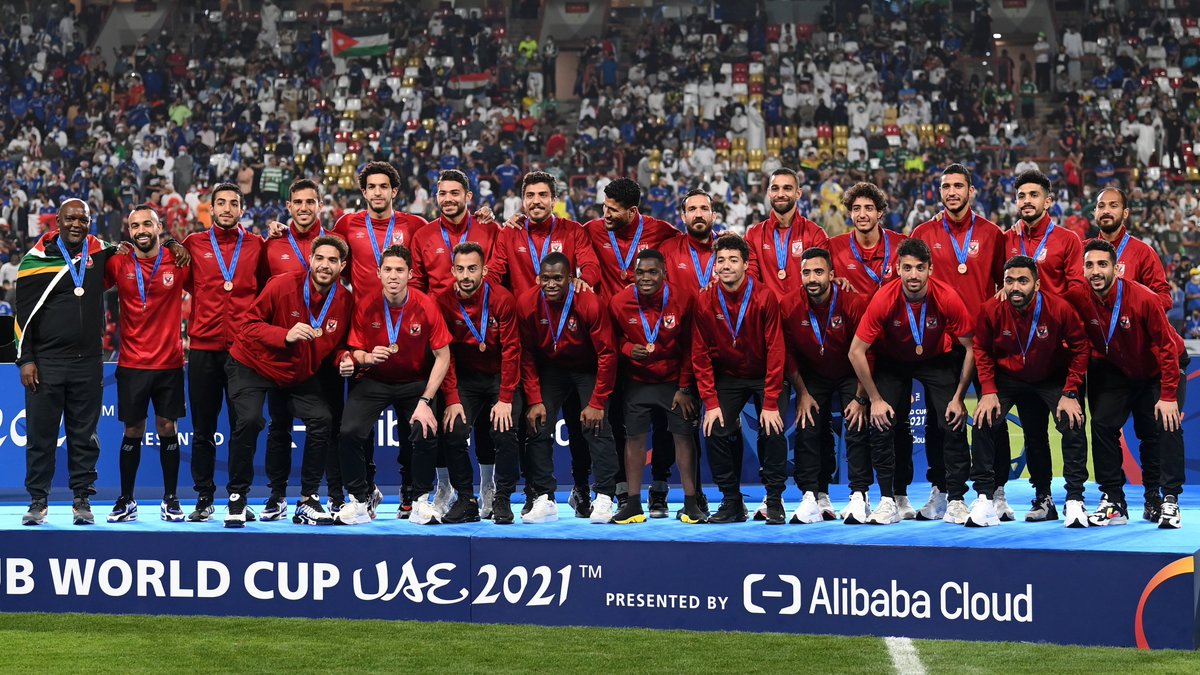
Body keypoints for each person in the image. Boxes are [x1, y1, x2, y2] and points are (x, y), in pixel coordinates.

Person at [488, 171, 600, 517]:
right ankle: (538, 493)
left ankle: (581, 490)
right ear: (522, 199)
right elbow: (492, 274)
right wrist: (503, 305)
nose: (536, 201)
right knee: (532, 424)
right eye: (530, 195)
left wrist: (583, 282)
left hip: (572, 341)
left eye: (543, 195)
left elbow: (591, 266)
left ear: (555, 199)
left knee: (580, 427)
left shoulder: (573, 231)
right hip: (531, 343)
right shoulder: (510, 234)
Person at [223, 235, 354, 527]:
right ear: (311, 259)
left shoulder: (344, 301)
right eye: (319, 258)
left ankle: (307, 499)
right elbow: (247, 326)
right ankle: (237, 498)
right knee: (251, 420)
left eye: (332, 260)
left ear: (342, 266)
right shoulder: (282, 284)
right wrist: (284, 335)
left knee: (322, 419)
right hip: (252, 363)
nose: (324, 265)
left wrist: (345, 358)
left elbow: (339, 344)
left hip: (294, 371)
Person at [910, 163, 1016, 522]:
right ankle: (942, 490)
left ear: (972, 191)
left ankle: (996, 492)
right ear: (938, 192)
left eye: (958, 186)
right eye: (945, 186)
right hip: (940, 342)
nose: (952, 192)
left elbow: (1004, 287)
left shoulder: (992, 234)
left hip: (984, 341)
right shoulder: (923, 232)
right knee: (940, 422)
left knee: (992, 416)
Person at [848, 238, 975, 525]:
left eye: (920, 268)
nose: (913, 275)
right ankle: (889, 499)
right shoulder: (885, 297)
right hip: (893, 361)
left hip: (936, 358)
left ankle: (953, 499)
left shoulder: (947, 296)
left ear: (930, 269)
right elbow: (856, 351)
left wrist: (959, 396)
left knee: (951, 421)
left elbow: (971, 347)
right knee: (883, 422)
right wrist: (875, 399)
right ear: (897, 269)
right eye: (907, 268)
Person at [331, 161, 429, 515]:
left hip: (408, 330)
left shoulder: (415, 225)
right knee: (359, 425)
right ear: (363, 192)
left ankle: (409, 490)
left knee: (410, 425)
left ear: (394, 191)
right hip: (364, 332)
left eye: (383, 186)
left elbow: (437, 257)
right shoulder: (346, 224)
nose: (377, 192)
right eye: (370, 187)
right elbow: (321, 251)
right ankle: (366, 489)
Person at [16, 200, 118, 525]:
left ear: (90, 222)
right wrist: (26, 360)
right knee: (40, 435)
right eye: (70, 218)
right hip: (45, 363)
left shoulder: (99, 254)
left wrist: (171, 243)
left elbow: (139, 252)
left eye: (83, 219)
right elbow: (23, 317)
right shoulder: (35, 261)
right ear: (57, 221)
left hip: (88, 363)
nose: (77, 223)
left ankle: (82, 499)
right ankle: (38, 501)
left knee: (85, 436)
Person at [336, 244, 454, 525]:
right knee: (349, 431)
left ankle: (420, 500)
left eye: (399, 270)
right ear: (378, 273)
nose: (393, 275)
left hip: (414, 382)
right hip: (375, 379)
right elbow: (355, 352)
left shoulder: (426, 305)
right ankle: (360, 500)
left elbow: (443, 356)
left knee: (425, 428)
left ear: (410, 274)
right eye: (387, 269)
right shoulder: (365, 304)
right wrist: (367, 357)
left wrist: (426, 401)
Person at [584, 177, 679, 515]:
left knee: (664, 419)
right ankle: (623, 490)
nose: (605, 214)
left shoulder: (662, 231)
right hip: (610, 341)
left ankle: (661, 486)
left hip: (651, 338)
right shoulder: (593, 230)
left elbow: (690, 246)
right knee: (617, 419)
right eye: (604, 207)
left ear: (633, 211)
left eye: (613, 210)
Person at [971, 256, 1089, 527]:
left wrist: (1070, 392)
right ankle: (985, 499)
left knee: (1071, 422)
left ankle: (1072, 500)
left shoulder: (1059, 309)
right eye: (1009, 281)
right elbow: (982, 350)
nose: (1015, 287)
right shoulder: (991, 309)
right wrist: (988, 390)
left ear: (1037, 284)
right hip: (1010, 377)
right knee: (983, 420)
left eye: (1023, 281)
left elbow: (1081, 348)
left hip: (1051, 377)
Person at [1079, 240, 1184, 529]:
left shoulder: (1142, 298)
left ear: (1116, 268)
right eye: (1089, 265)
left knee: (1165, 425)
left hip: (1160, 367)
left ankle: (1167, 500)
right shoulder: (1079, 296)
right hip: (1120, 370)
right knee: (1101, 424)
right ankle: (1114, 502)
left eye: (1102, 264)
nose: (1096, 271)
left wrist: (1168, 395)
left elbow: (1166, 348)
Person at [258, 178, 346, 519]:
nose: (304, 207)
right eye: (298, 202)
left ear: (320, 205)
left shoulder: (336, 240)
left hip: (326, 349)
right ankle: (277, 495)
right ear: (289, 206)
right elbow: (263, 293)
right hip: (286, 351)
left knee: (331, 424)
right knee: (279, 425)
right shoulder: (274, 244)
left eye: (311, 201)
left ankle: (335, 495)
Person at [181, 182, 266, 522]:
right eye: (221, 203)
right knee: (202, 428)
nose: (227, 208)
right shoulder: (193, 244)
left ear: (241, 209)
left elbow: (263, 287)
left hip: (245, 351)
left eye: (233, 203)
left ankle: (238, 495)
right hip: (203, 347)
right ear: (211, 209)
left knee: (243, 425)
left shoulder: (257, 246)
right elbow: (189, 285)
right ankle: (204, 497)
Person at [691, 234, 787, 524]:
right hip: (729, 377)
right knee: (714, 427)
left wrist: (771, 402)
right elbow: (699, 355)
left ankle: (774, 500)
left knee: (772, 428)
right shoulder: (705, 300)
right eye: (721, 260)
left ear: (746, 265)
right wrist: (711, 401)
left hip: (764, 374)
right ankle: (732, 501)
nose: (727, 265)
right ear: (714, 266)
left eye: (733, 260)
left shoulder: (764, 296)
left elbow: (776, 350)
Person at [104, 205, 191, 523]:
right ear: (128, 231)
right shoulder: (118, 262)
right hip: (131, 363)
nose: (140, 230)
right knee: (133, 428)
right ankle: (126, 499)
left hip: (169, 362)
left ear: (159, 227)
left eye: (147, 224)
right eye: (134, 225)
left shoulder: (177, 261)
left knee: (168, 427)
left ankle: (171, 498)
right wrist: (113, 246)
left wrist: (174, 244)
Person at [517, 252, 618, 524]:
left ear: (571, 280)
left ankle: (605, 497)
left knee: (597, 426)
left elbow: (608, 354)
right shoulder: (527, 303)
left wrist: (597, 402)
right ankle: (544, 499)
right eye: (546, 279)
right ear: (538, 278)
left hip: (588, 368)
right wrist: (535, 398)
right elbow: (525, 354)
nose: (551, 284)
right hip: (551, 370)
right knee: (537, 423)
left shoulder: (590, 304)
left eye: (558, 278)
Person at [607, 249, 703, 524]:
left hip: (674, 382)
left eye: (652, 272)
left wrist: (685, 388)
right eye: (640, 273)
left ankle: (691, 503)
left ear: (664, 273)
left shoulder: (683, 299)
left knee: (683, 437)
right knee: (634, 438)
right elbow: (610, 339)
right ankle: (633, 505)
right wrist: (626, 348)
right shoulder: (619, 302)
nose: (645, 278)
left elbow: (691, 346)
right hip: (637, 381)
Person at [782, 248, 873, 524]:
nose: (813, 278)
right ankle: (813, 495)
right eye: (807, 272)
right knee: (808, 427)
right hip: (813, 375)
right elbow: (785, 352)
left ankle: (859, 495)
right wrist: (802, 393)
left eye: (819, 272)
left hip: (850, 372)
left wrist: (860, 398)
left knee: (856, 425)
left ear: (832, 276)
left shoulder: (853, 303)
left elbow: (868, 352)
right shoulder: (788, 306)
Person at [435, 242, 523, 524]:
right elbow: (444, 353)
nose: (465, 275)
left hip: (499, 375)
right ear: (452, 270)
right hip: (464, 378)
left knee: (505, 431)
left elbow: (512, 351)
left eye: (472, 268)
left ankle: (502, 498)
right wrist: (452, 398)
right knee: (454, 430)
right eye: (460, 269)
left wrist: (506, 398)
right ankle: (465, 499)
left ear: (484, 270)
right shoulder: (443, 301)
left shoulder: (503, 299)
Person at [745, 167, 830, 299]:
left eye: (787, 188)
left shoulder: (815, 234)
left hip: (804, 314)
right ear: (768, 193)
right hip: (767, 314)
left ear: (798, 193)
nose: (780, 194)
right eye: (775, 188)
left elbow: (822, 277)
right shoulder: (753, 235)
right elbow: (750, 276)